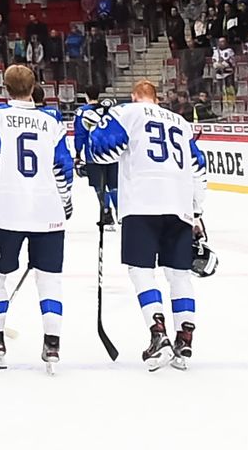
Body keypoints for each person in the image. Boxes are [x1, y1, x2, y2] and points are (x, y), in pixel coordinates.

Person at [88, 78, 208, 369]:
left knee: (141, 271)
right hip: (179, 206)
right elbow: (198, 167)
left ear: (134, 97)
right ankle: (185, 340)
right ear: (157, 99)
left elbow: (101, 151)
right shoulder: (180, 122)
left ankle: (158, 335)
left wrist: (95, 130)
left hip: (142, 203)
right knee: (179, 275)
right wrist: (197, 212)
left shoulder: (126, 112)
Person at [0, 64, 74, 371]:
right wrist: (66, 202)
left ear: (5, 87)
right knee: (49, 279)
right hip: (48, 211)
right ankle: (52, 344)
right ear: (34, 87)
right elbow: (63, 167)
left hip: (8, 212)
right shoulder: (52, 121)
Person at [74, 94, 120, 225]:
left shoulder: (82, 112)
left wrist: (78, 152)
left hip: (92, 155)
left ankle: (106, 213)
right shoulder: (110, 110)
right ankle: (120, 212)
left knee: (99, 186)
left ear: (86, 96)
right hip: (111, 152)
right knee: (114, 185)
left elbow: (80, 134)